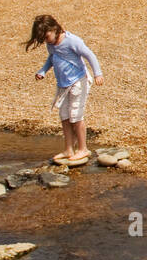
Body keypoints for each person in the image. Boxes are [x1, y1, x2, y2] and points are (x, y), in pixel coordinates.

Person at [25, 14, 104, 163]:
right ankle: (68, 149)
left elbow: (90, 55)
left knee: (75, 115)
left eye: (46, 37)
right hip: (63, 84)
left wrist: (98, 74)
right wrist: (43, 70)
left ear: (54, 28)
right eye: (43, 39)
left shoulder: (72, 41)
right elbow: (52, 58)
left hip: (79, 81)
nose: (46, 41)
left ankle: (83, 149)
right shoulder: (51, 44)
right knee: (65, 116)